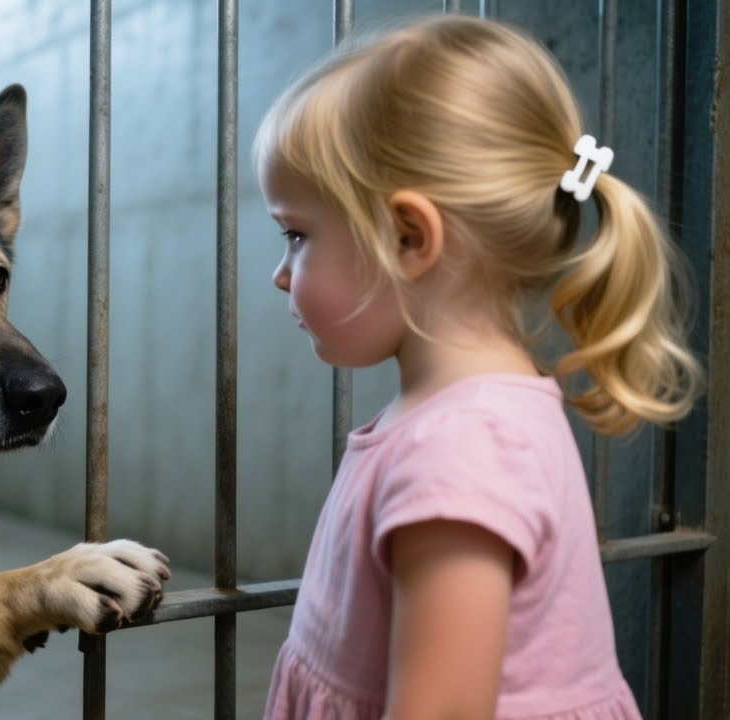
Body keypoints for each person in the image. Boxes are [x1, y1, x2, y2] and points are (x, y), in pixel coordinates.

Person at [254, 15, 702, 720]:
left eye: (296, 234)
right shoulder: (460, 420)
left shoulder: (461, 449)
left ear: (409, 237)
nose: (281, 274)